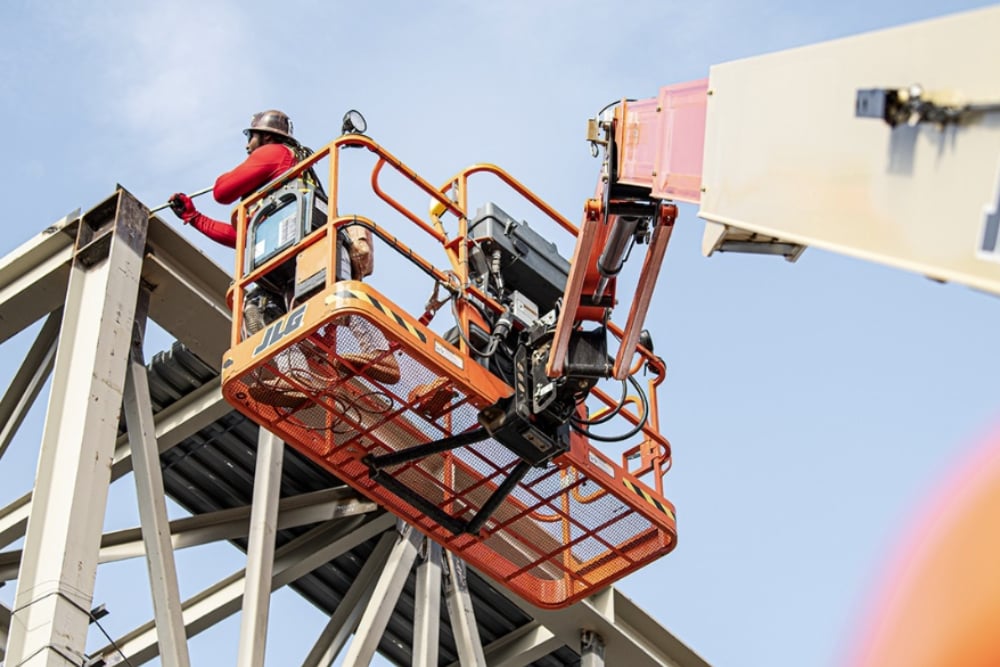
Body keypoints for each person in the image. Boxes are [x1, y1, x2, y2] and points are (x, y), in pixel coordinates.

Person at [169, 110, 400, 405]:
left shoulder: (277, 153)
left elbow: (222, 191)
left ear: (265, 136)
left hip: (309, 245)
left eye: (250, 138)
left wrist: (221, 184)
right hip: (281, 260)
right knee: (257, 308)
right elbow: (243, 240)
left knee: (332, 296)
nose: (247, 146)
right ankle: (296, 376)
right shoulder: (267, 199)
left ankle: (381, 356)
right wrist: (194, 218)